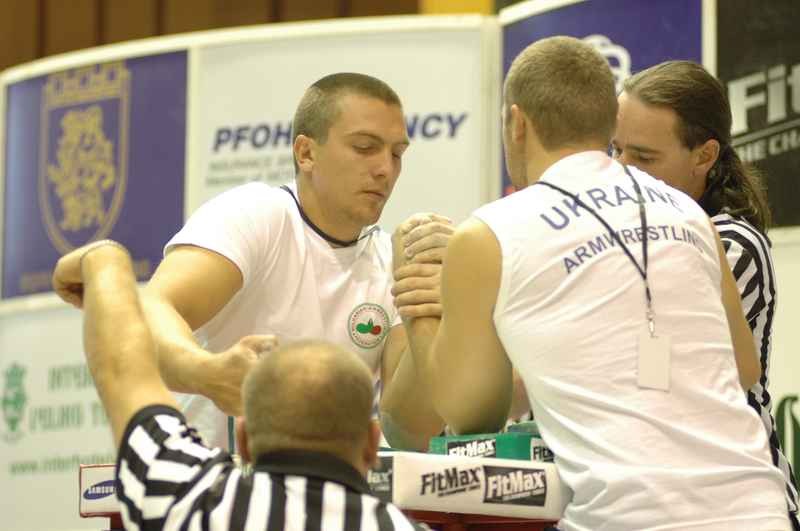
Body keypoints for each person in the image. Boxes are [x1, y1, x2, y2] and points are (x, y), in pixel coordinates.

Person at [389, 36, 791, 530]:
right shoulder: (690, 214)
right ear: (608, 124)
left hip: (627, 517)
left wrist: (422, 310)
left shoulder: (490, 233)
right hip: (757, 507)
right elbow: (744, 367)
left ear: (516, 122)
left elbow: (472, 416)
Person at [142, 72, 450, 451]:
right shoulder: (257, 215)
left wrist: (436, 315)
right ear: (305, 153)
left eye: (397, 154)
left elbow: (409, 431)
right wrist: (207, 374)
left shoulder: (390, 259)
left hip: (324, 490)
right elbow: (148, 313)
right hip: (212, 484)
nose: (385, 169)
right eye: (365, 147)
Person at [52, 240, 426, 530]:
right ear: (372, 444)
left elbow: (123, 370)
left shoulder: (188, 502)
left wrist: (105, 262)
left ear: (244, 442)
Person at [612, 59, 798, 529]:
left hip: (734, 505)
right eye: (615, 152)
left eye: (644, 157)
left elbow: (655, 368)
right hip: (650, 501)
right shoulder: (617, 236)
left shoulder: (734, 243)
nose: (621, 173)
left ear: (705, 155)